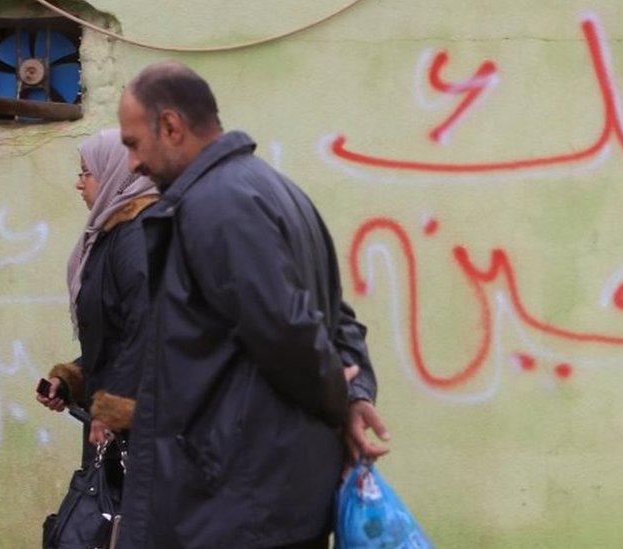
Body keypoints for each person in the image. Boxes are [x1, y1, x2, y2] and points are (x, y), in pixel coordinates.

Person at [115, 62, 390, 548]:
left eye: (133, 143)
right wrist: (351, 394)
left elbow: (288, 331)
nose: (133, 164)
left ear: (172, 126)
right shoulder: (274, 190)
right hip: (264, 500)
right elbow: (336, 319)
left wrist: (336, 395)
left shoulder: (219, 204)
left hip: (233, 508)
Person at [36, 129, 160, 474]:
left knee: (117, 525)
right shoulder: (111, 236)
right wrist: (72, 379)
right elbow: (114, 334)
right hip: (123, 430)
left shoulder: (136, 236)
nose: (79, 184)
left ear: (114, 173)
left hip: (142, 435)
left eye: (86, 173)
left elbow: (149, 329)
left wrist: (115, 410)